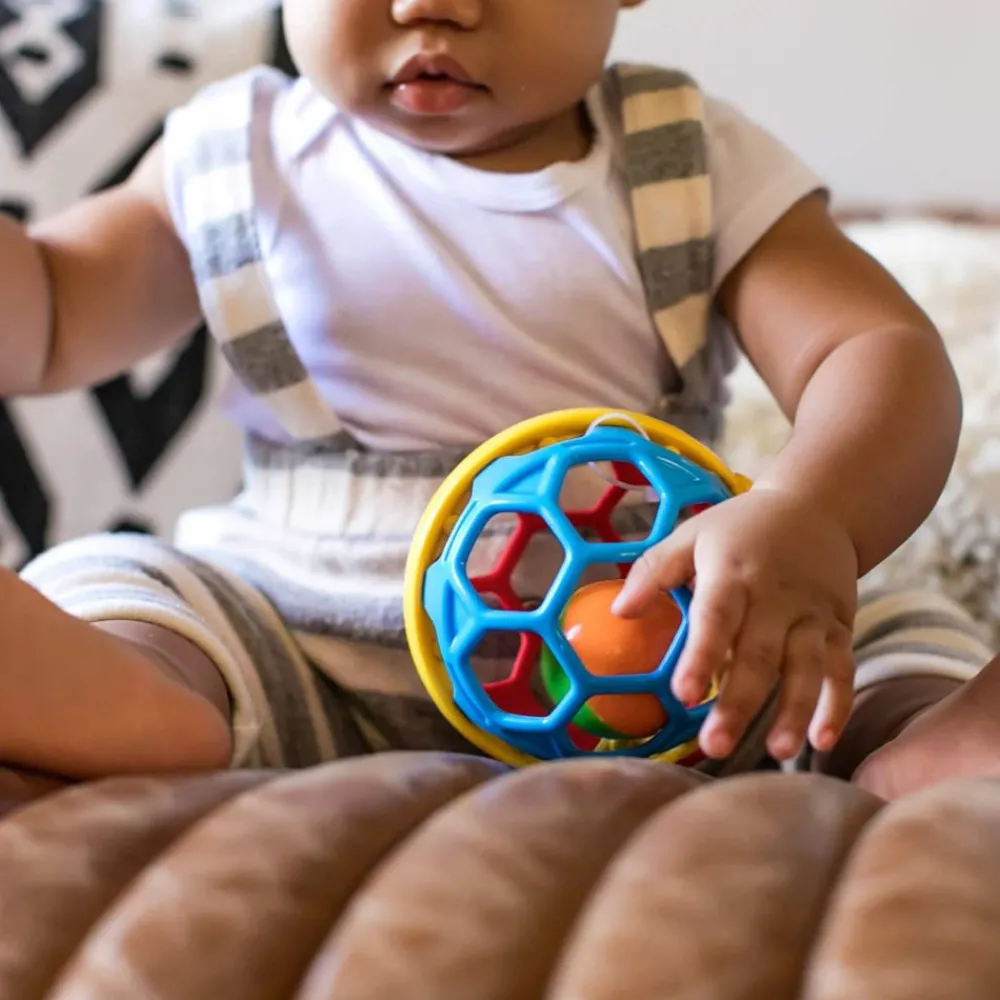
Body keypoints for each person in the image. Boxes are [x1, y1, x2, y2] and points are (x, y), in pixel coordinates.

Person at [0, 0, 989, 799]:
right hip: (289, 636)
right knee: (129, 585)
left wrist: (808, 512)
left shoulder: (685, 160)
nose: (432, 6)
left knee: (869, 628)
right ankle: (137, 700)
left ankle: (920, 737)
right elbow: (49, 310)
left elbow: (872, 347)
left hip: (671, 659)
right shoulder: (232, 155)